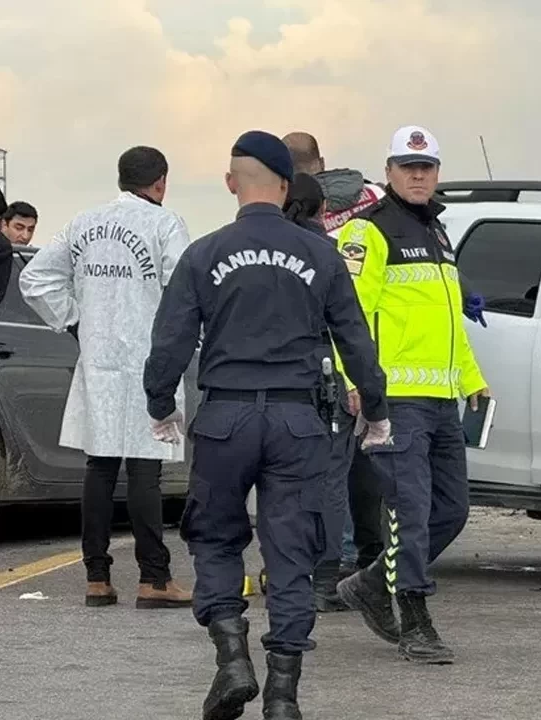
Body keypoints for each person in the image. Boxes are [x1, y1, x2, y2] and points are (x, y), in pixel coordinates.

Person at [143, 131, 391, 720]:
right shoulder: (321, 253)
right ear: (286, 186)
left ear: (232, 183)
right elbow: (355, 340)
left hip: (225, 417)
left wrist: (160, 406)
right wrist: (376, 412)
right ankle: (283, 692)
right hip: (298, 421)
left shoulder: (204, 253)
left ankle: (232, 656)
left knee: (215, 538)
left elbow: (170, 343)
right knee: (291, 551)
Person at [334, 125, 489, 665]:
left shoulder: (439, 233)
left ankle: (370, 584)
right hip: (394, 399)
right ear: (389, 172)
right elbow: (345, 316)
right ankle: (415, 619)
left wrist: (471, 378)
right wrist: (354, 382)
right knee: (411, 509)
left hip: (441, 400)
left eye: (427, 168)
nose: (418, 175)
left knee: (452, 509)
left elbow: (448, 322)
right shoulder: (367, 232)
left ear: (437, 173)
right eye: (407, 167)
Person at [19, 147, 194, 609]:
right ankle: (154, 578)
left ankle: (97, 577)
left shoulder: (83, 224)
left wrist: (75, 319)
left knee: (99, 468)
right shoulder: (165, 225)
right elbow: (183, 289)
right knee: (144, 471)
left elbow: (35, 278)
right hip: (148, 359)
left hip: (98, 360)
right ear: (160, 182)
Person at [281, 172, 360, 613]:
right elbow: (348, 327)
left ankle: (285, 572)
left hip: (270, 389)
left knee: (282, 485)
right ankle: (325, 578)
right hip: (324, 386)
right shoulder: (329, 254)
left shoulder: (260, 254)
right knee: (330, 482)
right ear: (325, 211)